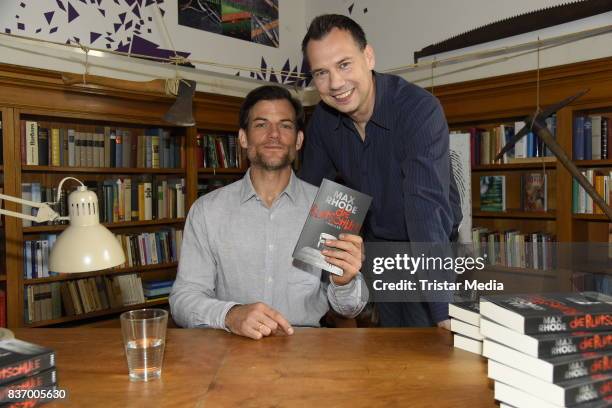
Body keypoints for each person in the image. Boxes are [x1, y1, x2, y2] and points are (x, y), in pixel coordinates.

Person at [299, 14, 462, 329]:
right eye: (321, 72)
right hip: (376, 249)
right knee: (388, 356)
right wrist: (311, 292)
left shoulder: (418, 110)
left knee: (431, 350)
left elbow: (425, 211)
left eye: (344, 64)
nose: (335, 83)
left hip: (427, 246)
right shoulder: (323, 121)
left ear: (368, 57)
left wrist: (443, 311)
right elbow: (316, 199)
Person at [170, 85, 368, 339]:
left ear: (298, 140)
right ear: (243, 138)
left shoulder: (330, 208)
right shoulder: (207, 211)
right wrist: (231, 315)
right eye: (261, 124)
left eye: (285, 125)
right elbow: (183, 299)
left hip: (306, 353)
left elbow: (350, 309)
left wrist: (345, 281)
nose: (274, 135)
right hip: (231, 348)